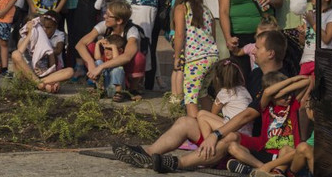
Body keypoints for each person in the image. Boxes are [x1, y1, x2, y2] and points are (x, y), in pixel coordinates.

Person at [113, 29, 288, 173]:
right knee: (186, 122)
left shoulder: (281, 80)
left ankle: (175, 163)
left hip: (255, 141)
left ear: (271, 53)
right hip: (236, 132)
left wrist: (215, 134)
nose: (253, 50)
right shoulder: (257, 73)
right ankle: (147, 153)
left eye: (258, 48)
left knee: (228, 136)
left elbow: (248, 114)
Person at [224, 73, 309, 175]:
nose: (289, 97)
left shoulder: (293, 105)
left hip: (286, 157)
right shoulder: (266, 107)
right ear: (273, 96)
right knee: (232, 146)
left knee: (287, 149)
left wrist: (288, 85)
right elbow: (267, 92)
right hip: (267, 153)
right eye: (284, 96)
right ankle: (264, 170)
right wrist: (279, 91)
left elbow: (307, 81)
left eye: (290, 93)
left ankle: (270, 171)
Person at [172, 0, 218, 117]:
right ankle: (216, 121)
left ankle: (194, 131)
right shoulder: (207, 11)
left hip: (195, 59)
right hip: (212, 56)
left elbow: (179, 34)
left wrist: (177, 56)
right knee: (203, 93)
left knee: (190, 97)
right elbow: (213, 35)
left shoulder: (181, 8)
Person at [76, 0, 146, 95]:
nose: (104, 17)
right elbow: (80, 44)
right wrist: (91, 64)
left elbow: (127, 56)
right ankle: (99, 85)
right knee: (90, 46)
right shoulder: (104, 26)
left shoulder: (131, 31)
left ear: (119, 21)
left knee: (138, 57)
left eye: (108, 16)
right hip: (106, 60)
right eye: (105, 13)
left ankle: (133, 88)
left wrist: (101, 67)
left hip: (123, 65)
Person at [11, 11, 74, 91]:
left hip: (42, 75)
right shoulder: (24, 39)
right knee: (15, 54)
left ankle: (38, 83)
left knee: (70, 71)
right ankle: (37, 83)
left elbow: (52, 68)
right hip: (25, 74)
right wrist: (30, 33)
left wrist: (54, 80)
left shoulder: (45, 43)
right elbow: (19, 52)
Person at [196, 59, 254, 140]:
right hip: (246, 133)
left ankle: (208, 144)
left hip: (235, 131)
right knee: (202, 113)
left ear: (217, 78)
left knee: (202, 117)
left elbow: (213, 113)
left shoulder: (224, 93)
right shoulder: (243, 90)